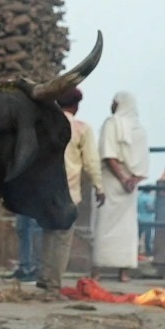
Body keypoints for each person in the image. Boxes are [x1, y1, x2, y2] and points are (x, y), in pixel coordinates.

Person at [36, 88, 104, 297]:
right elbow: (91, 161)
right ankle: (54, 286)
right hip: (69, 191)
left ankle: (44, 279)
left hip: (46, 190)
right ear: (76, 106)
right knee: (63, 239)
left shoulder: (45, 126)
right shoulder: (82, 129)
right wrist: (99, 186)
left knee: (48, 234)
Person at [93, 91, 149, 283]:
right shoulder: (138, 129)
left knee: (120, 227)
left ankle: (113, 271)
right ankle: (104, 271)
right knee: (109, 224)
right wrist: (129, 179)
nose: (112, 105)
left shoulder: (113, 124)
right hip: (119, 182)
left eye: (114, 102)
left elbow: (109, 155)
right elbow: (111, 156)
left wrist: (128, 179)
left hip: (119, 182)